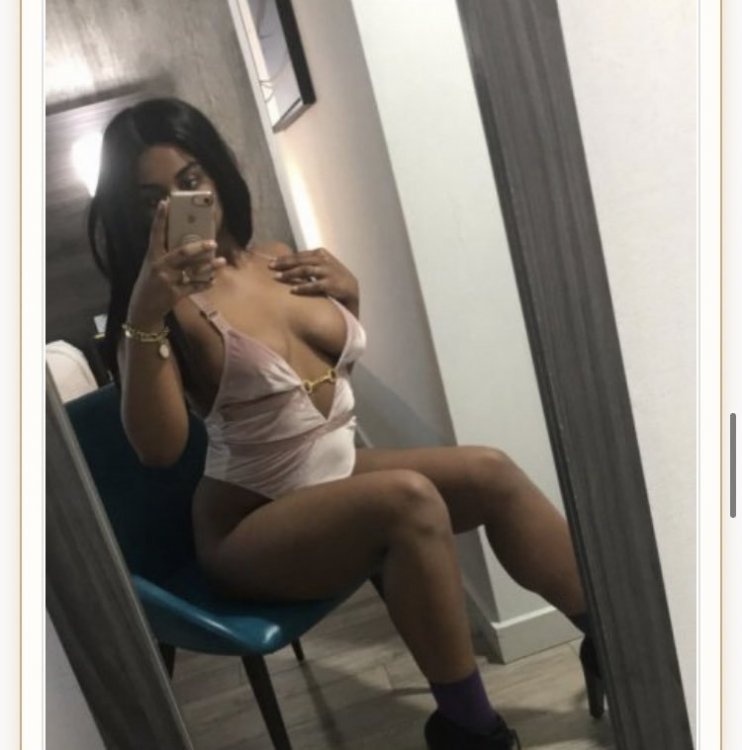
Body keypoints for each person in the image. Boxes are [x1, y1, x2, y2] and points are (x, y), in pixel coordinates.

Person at [89, 97, 602, 750]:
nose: (178, 204)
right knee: (408, 500)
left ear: (216, 173)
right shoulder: (160, 311)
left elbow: (320, 386)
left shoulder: (277, 259)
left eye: (190, 179)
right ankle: (471, 730)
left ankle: (616, 645)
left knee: (490, 472)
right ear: (131, 214)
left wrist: (349, 297)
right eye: (151, 199)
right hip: (248, 525)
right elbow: (159, 451)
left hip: (335, 477)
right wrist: (145, 310)